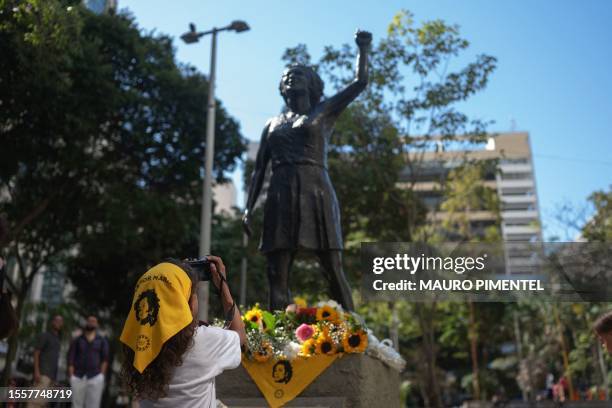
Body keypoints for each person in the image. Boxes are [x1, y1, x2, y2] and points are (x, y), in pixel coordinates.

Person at [242, 30, 372, 311]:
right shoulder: (272, 124)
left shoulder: (323, 112)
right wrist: (248, 208)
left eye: (299, 74)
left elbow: (359, 82)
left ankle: (355, 332)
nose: (292, 77)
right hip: (280, 192)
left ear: (312, 84)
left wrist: (363, 48)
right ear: (282, 86)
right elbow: (259, 169)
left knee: (331, 267)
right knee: (277, 271)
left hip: (316, 189)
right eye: (288, 75)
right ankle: (277, 341)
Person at [120, 256, 246, 408]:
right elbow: (239, 335)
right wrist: (222, 285)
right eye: (193, 293)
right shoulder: (204, 340)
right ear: (188, 304)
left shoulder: (136, 344)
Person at [68, 315, 109, 408]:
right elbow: (71, 357)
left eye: (94, 321)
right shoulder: (78, 339)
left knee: (93, 405)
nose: (91, 322)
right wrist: (71, 376)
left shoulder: (102, 340)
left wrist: (102, 375)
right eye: (89, 321)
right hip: (78, 376)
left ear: (97, 324)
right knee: (76, 405)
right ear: (86, 322)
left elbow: (105, 359)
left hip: (95, 376)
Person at [28, 314, 64, 407]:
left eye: (60, 321)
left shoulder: (58, 340)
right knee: (34, 403)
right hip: (42, 375)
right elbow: (36, 353)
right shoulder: (45, 336)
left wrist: (54, 380)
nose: (58, 323)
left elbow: (55, 360)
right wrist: (36, 371)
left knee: (43, 404)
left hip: (51, 379)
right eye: (56, 320)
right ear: (52, 322)